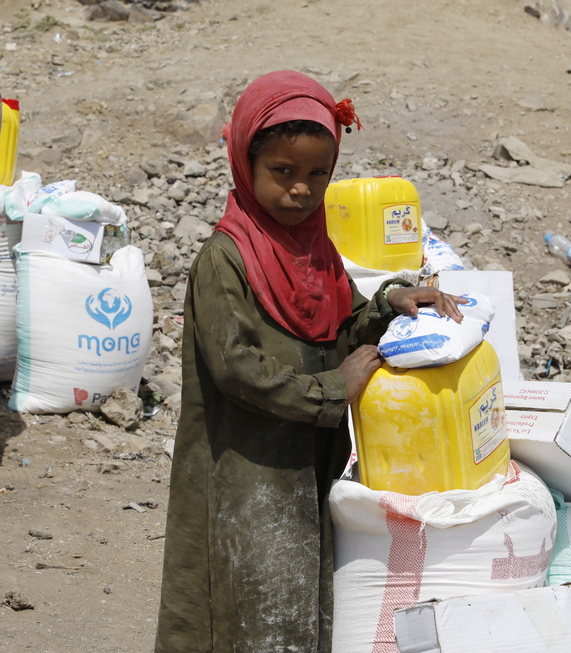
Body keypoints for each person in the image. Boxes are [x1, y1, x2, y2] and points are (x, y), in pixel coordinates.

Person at [154, 70, 464, 653]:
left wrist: (392, 301)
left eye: (318, 174)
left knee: (300, 603)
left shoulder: (315, 251)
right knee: (247, 604)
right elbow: (234, 366)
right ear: (247, 166)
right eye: (283, 172)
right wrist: (330, 390)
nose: (301, 190)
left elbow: (340, 325)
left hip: (310, 462)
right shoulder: (226, 259)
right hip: (246, 471)